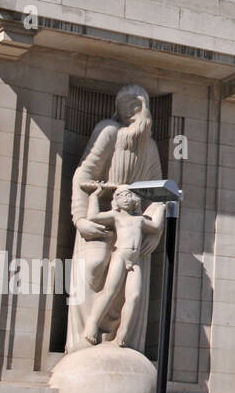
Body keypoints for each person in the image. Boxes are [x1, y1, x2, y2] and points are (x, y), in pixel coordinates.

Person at [66, 83, 164, 353]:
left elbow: (158, 194)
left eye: (140, 103)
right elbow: (82, 176)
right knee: (97, 265)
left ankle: (121, 340)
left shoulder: (152, 146)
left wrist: (156, 232)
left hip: (134, 229)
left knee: (131, 293)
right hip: (103, 221)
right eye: (129, 104)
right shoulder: (109, 131)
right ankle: (88, 335)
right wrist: (80, 219)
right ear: (119, 109)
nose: (136, 109)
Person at [81, 186, 163, 347]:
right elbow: (93, 216)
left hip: (135, 261)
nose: (125, 198)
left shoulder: (139, 220)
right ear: (116, 201)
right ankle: (92, 324)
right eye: (120, 195)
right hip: (120, 256)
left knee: (134, 297)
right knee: (110, 291)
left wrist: (161, 206)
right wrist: (95, 196)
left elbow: (156, 227)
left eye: (128, 195)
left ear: (135, 199)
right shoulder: (116, 216)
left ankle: (123, 333)